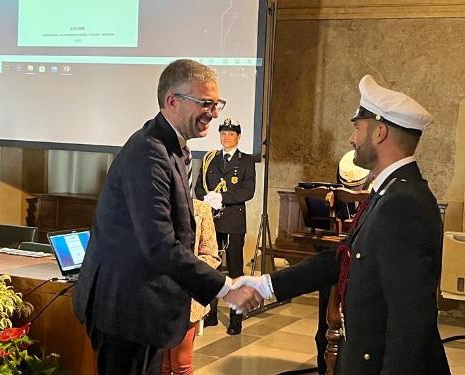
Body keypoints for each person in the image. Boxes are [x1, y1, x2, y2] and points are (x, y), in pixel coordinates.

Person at [234, 75, 451, 374]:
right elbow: (344, 260)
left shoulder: (404, 202)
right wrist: (266, 284)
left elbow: (410, 321)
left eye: (358, 128)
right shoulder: (389, 192)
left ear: (379, 133)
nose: (352, 139)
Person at [72, 59, 262, 375]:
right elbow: (160, 245)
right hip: (125, 310)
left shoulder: (172, 146)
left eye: (216, 104)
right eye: (205, 103)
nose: (213, 114)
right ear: (172, 101)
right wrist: (226, 288)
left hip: (144, 308)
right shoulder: (148, 152)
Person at [194, 117, 256, 335]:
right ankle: (210, 313)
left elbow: (248, 191)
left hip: (233, 222)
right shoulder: (210, 159)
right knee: (212, 268)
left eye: (230, 134)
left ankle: (235, 318)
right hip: (212, 221)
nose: (226, 137)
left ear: (238, 137)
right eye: (223, 134)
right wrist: (207, 198)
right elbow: (199, 187)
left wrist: (222, 197)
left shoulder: (246, 161)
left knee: (236, 270)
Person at [161, 199, 220, 375]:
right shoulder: (154, 207)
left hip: (186, 297)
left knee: (181, 364)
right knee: (160, 366)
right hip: (157, 296)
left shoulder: (200, 209)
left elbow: (211, 255)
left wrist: (187, 268)